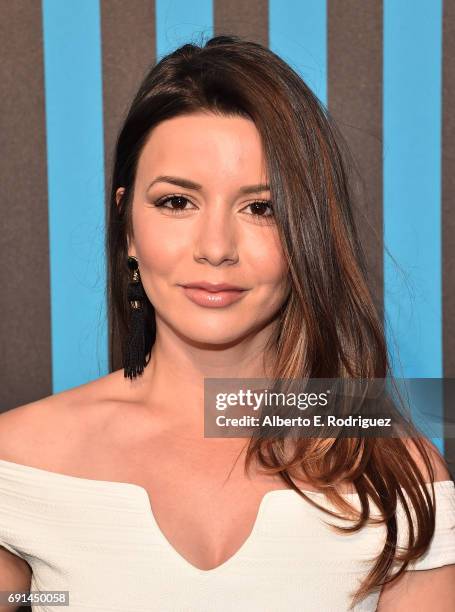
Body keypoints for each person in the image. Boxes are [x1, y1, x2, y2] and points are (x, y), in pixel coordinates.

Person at [0, 35, 454, 612]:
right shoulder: (15, 463)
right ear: (128, 225)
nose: (216, 248)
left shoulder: (397, 475)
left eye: (261, 208)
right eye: (176, 203)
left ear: (307, 235)